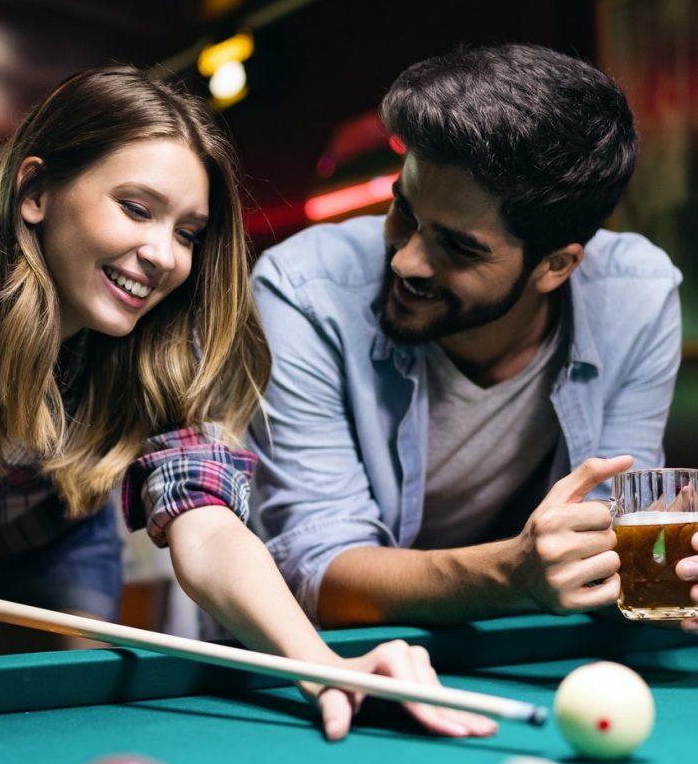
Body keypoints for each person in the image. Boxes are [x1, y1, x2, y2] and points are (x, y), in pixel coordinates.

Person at [0, 63, 497, 740]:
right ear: (35, 191)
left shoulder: (163, 352)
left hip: (47, 541)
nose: (164, 255)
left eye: (188, 232)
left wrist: (322, 666)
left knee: (47, 733)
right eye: (137, 209)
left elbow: (207, 527)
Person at [248, 42, 687, 631]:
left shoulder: (637, 294)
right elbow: (316, 573)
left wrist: (661, 576)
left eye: (457, 245)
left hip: (524, 647)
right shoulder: (303, 290)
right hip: (326, 657)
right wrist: (511, 573)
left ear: (555, 266)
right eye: (403, 211)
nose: (406, 261)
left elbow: (612, 533)